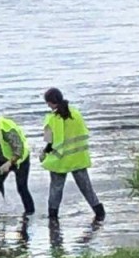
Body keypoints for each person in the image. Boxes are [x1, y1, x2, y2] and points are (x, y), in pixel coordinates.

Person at [39, 87, 106, 222]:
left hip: (59, 160)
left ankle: (53, 217)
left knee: (56, 190)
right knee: (86, 188)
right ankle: (99, 212)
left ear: (51, 102)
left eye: (48, 103)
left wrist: (43, 153)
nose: (47, 106)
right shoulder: (76, 114)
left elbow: (49, 142)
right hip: (78, 157)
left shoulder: (51, 119)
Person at [0, 113, 36, 215]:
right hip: (2, 159)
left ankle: (30, 213)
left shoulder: (7, 130)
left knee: (22, 187)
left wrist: (9, 163)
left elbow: (19, 151)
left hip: (20, 160)